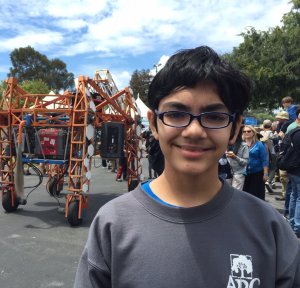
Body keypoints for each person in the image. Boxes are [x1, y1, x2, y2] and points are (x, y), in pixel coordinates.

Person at [74, 46, 300, 287]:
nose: (194, 131)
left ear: (235, 128)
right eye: (176, 114)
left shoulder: (270, 228)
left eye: (214, 117)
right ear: (153, 123)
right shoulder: (113, 224)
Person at [242, 125, 269, 200]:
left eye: (248, 131)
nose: (246, 133)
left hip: (257, 173)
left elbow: (264, 159)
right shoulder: (241, 144)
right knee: (245, 194)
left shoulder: (259, 144)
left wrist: (265, 174)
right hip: (243, 173)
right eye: (244, 131)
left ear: (253, 133)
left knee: (256, 195)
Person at [226, 125, 249, 190]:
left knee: (235, 194)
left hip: (238, 173)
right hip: (227, 173)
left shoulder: (244, 145)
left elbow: (245, 162)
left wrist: (235, 157)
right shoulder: (224, 143)